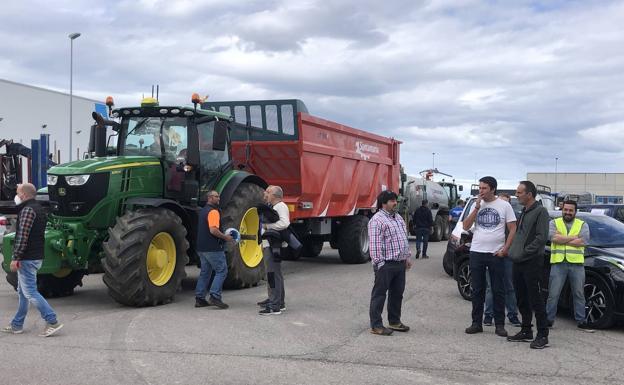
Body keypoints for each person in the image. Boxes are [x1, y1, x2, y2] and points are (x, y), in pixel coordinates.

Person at [1, 183, 63, 337]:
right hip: (34, 256)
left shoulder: (28, 210)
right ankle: (17, 324)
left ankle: (52, 321)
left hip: (28, 258)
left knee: (30, 293)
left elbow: (22, 236)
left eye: (17, 192)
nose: (16, 195)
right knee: (23, 293)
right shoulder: (38, 208)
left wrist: (16, 257)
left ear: (23, 195)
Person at [463, 176, 516, 338]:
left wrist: (505, 249)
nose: (481, 191)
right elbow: (465, 226)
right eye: (480, 188)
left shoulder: (504, 205)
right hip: (477, 251)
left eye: (484, 188)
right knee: (477, 289)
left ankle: (499, 324)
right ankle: (476, 323)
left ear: (493, 189)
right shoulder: (476, 204)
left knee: (498, 289)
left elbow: (513, 228)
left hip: (496, 253)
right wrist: (476, 208)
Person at [507, 181, 551, 349]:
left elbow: (541, 238)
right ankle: (526, 330)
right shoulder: (524, 211)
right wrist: (513, 251)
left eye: (519, 193)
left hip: (532, 261)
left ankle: (543, 335)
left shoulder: (541, 212)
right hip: (518, 261)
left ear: (529, 194)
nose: (516, 195)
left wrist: (524, 252)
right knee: (521, 297)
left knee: (535, 298)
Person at [368, 190, 413, 336]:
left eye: (395, 200)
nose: (395, 203)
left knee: (397, 294)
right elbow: (375, 246)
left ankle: (394, 321)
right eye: (392, 201)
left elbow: (403, 239)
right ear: (383, 204)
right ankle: (376, 325)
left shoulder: (398, 218)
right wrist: (380, 264)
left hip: (399, 263)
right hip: (385, 264)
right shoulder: (377, 220)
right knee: (379, 295)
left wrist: (407, 257)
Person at [546, 200, 593, 332]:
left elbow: (583, 241)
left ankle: (581, 321)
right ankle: (549, 320)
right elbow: (553, 238)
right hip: (558, 263)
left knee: (578, 293)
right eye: (565, 209)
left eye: (570, 210)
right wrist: (573, 238)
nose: (567, 212)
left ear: (575, 212)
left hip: (576, 264)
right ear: (562, 209)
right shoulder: (553, 223)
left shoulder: (582, 224)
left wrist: (563, 238)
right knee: (553, 294)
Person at [483, 193, 520, 326]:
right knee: (490, 287)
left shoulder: (513, 219)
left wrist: (506, 250)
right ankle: (488, 315)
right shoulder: (491, 217)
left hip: (507, 256)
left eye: (507, 203)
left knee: (509, 287)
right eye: (502, 202)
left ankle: (512, 315)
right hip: (492, 254)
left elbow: (516, 237)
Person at [194, 190, 233, 309]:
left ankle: (200, 298)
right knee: (222, 270)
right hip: (212, 248)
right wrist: (225, 237)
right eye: (216, 197)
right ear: (210, 198)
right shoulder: (213, 212)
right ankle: (215, 296)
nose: (219, 199)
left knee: (205, 272)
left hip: (201, 248)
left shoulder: (203, 211)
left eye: (219, 196)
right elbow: (213, 230)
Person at [258, 185, 290, 315]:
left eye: (268, 192)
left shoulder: (281, 206)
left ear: (275, 195)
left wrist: (267, 225)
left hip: (273, 246)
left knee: (272, 274)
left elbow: (284, 223)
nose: (266, 193)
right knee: (274, 274)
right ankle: (277, 301)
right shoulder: (273, 207)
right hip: (269, 244)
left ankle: (275, 305)